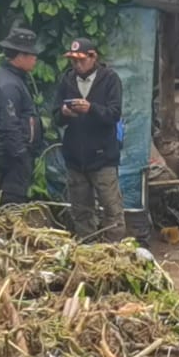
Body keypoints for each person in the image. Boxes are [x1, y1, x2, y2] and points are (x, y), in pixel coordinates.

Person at [54, 38, 125, 242]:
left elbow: (114, 114)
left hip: (103, 157)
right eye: (73, 61)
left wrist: (91, 108)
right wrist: (64, 112)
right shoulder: (67, 80)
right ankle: (88, 249)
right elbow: (55, 116)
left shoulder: (110, 79)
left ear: (94, 57)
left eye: (81, 60)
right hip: (75, 158)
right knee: (81, 210)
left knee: (112, 209)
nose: (77, 65)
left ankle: (115, 251)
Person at [0, 28, 43, 205]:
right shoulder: (9, 84)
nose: (35, 59)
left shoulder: (10, 76)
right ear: (20, 56)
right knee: (13, 200)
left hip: (12, 151)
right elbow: (10, 124)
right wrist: (21, 154)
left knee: (13, 196)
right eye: (32, 55)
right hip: (12, 154)